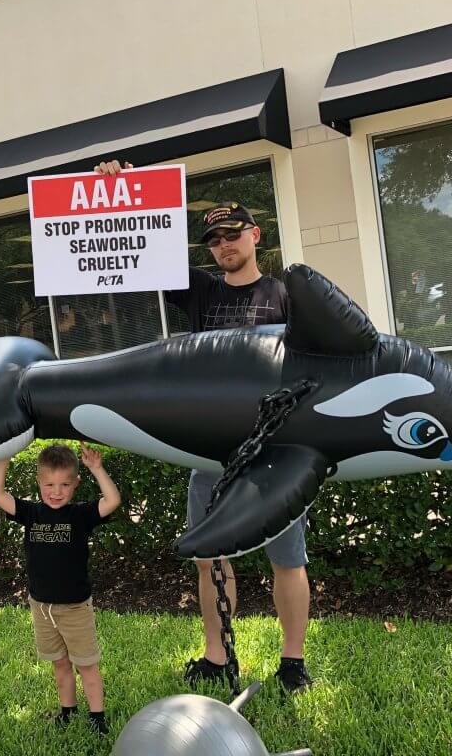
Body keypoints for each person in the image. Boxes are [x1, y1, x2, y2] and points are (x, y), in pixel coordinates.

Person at [93, 160, 314, 695]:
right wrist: (124, 189)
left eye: (231, 235)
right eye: (213, 240)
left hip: (275, 454)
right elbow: (143, 250)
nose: (222, 246)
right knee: (209, 558)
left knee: (288, 559)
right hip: (209, 455)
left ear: (255, 235)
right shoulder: (202, 292)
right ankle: (218, 657)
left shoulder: (287, 296)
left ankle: (292, 661)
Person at [0, 443, 121, 734]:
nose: (56, 491)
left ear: (76, 483)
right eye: (49, 484)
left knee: (86, 665)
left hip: (75, 607)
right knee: (59, 663)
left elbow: (112, 500)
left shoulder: (80, 515)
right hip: (41, 606)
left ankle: (97, 718)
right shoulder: (31, 513)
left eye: (64, 484)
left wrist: (97, 469)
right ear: (38, 482)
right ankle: (68, 711)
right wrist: (3, 461)